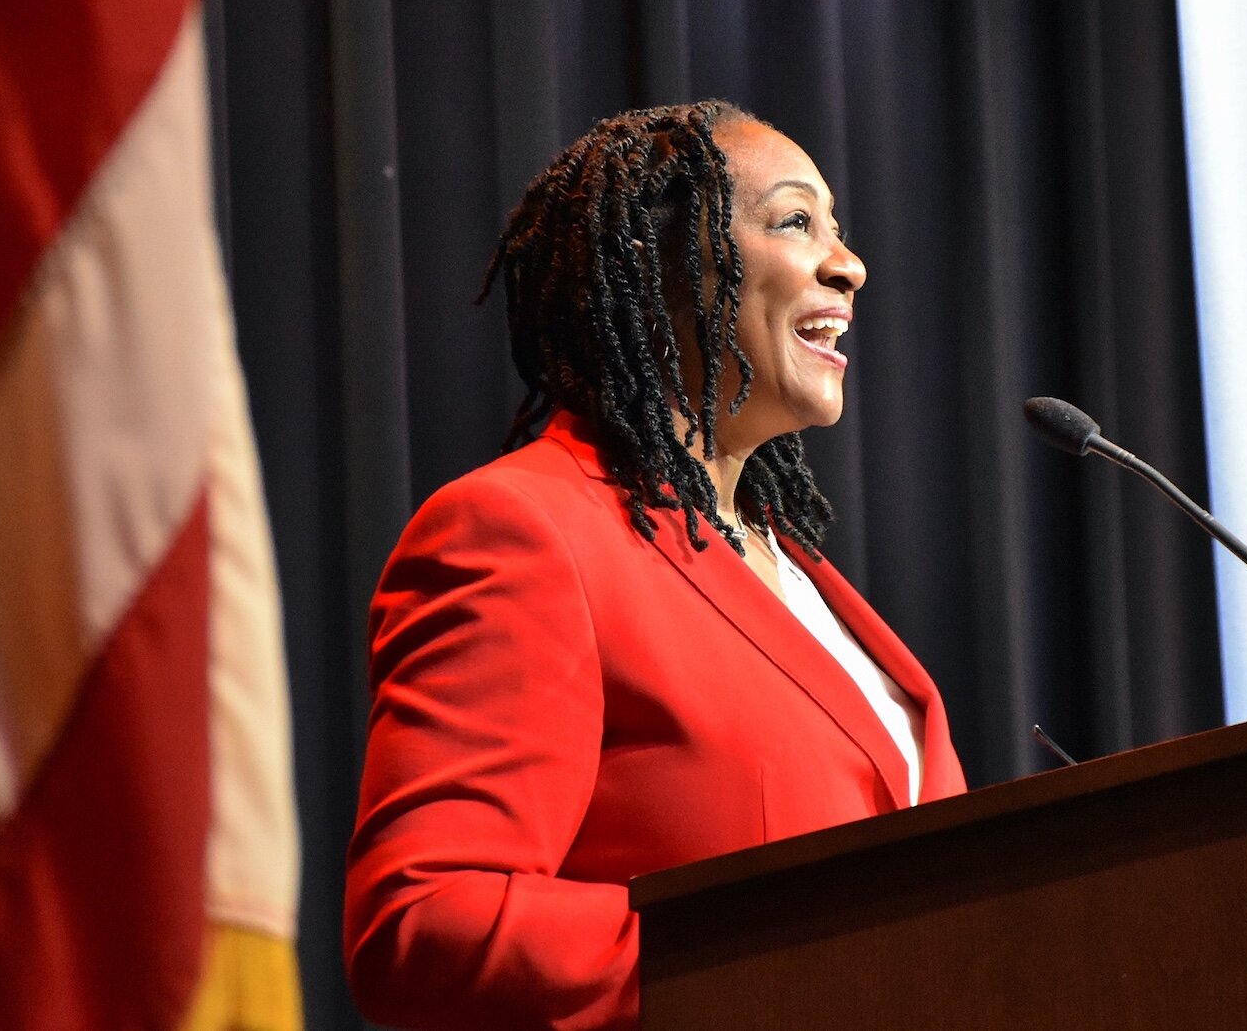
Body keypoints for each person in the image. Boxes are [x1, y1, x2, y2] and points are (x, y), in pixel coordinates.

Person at [343, 101, 967, 1031]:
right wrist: (801, 955)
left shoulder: (792, 571)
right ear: (660, 266)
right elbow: (424, 921)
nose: (849, 264)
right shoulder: (523, 530)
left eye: (836, 229)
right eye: (796, 222)